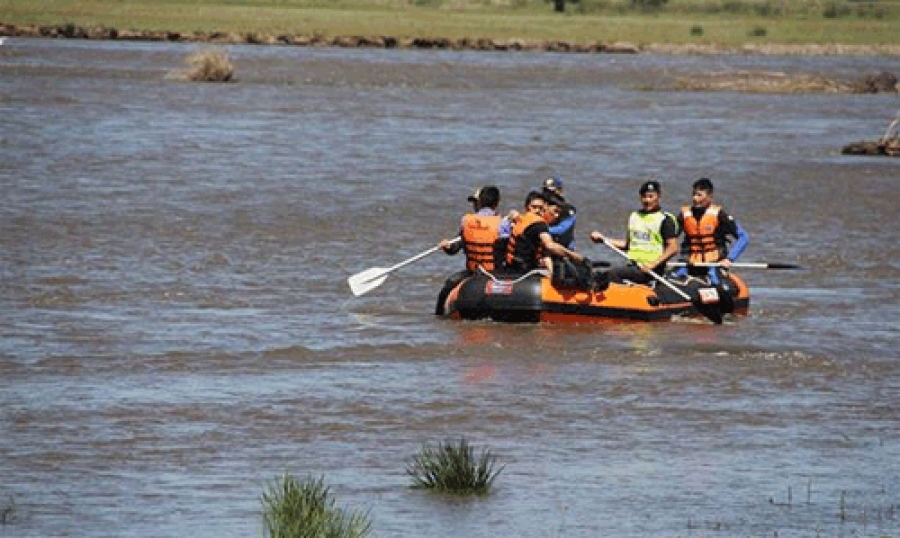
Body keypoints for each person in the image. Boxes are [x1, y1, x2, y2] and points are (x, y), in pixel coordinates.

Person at [589, 180, 679, 285]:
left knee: (613, 274)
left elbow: (673, 248)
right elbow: (628, 245)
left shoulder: (665, 219)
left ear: (658, 197)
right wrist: (603, 239)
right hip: (633, 265)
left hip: (652, 269)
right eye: (644, 197)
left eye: (651, 197)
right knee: (600, 273)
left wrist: (653, 264)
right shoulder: (634, 216)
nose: (647, 200)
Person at [435, 186, 506, 315]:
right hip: (497, 273)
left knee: (448, 286)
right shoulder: (504, 223)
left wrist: (447, 247)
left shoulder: (467, 222)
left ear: (479, 203)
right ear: (496, 203)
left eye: (474, 202)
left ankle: (439, 316)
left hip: (474, 273)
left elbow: (454, 249)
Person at [673, 178, 749, 286]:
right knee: (671, 278)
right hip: (690, 263)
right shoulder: (684, 215)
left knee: (717, 282)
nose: (695, 199)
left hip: (714, 264)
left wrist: (729, 259)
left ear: (709, 197)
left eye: (699, 195)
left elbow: (743, 237)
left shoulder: (719, 215)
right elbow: (669, 238)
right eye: (694, 194)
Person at [506, 191, 586, 278]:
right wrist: (575, 257)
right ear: (547, 207)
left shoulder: (523, 218)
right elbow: (550, 246)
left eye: (540, 208)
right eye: (554, 211)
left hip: (512, 269)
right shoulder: (539, 224)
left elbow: (545, 254)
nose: (556, 216)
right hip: (525, 272)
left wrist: (550, 274)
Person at [542, 176, 577, 250]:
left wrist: (539, 229)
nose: (546, 195)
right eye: (545, 191)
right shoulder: (540, 206)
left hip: (565, 248)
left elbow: (561, 229)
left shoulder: (568, 210)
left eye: (550, 192)